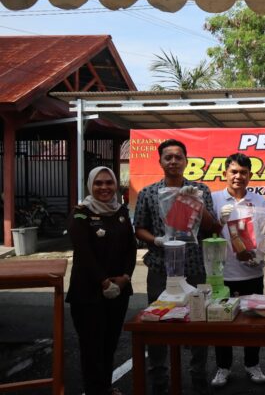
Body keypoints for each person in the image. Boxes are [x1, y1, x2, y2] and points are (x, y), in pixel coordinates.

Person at [133, 139, 218, 395]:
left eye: (178, 157)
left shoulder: (199, 190)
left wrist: (196, 203)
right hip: (160, 268)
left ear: (186, 161)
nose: (173, 161)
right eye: (168, 157)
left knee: (197, 323)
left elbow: (212, 227)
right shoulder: (148, 193)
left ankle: (198, 378)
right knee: (157, 324)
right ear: (160, 161)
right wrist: (156, 240)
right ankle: (159, 380)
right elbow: (139, 228)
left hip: (194, 266)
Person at [67, 166, 136, 395]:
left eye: (109, 182)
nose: (104, 187)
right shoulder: (81, 214)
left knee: (109, 343)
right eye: (98, 183)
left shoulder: (121, 211)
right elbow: (84, 252)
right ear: (90, 185)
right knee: (91, 347)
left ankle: (105, 388)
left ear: (116, 185)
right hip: (88, 292)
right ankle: (94, 390)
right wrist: (104, 281)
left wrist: (125, 277)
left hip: (119, 290)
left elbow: (131, 248)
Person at [210, 153, 265, 388]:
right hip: (221, 274)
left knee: (252, 323)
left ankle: (252, 364)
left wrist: (260, 256)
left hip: (252, 273)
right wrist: (220, 222)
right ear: (225, 173)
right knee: (221, 324)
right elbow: (205, 233)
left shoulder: (260, 202)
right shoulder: (213, 199)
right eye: (233, 171)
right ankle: (223, 367)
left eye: (243, 172)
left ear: (250, 175)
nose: (238, 176)